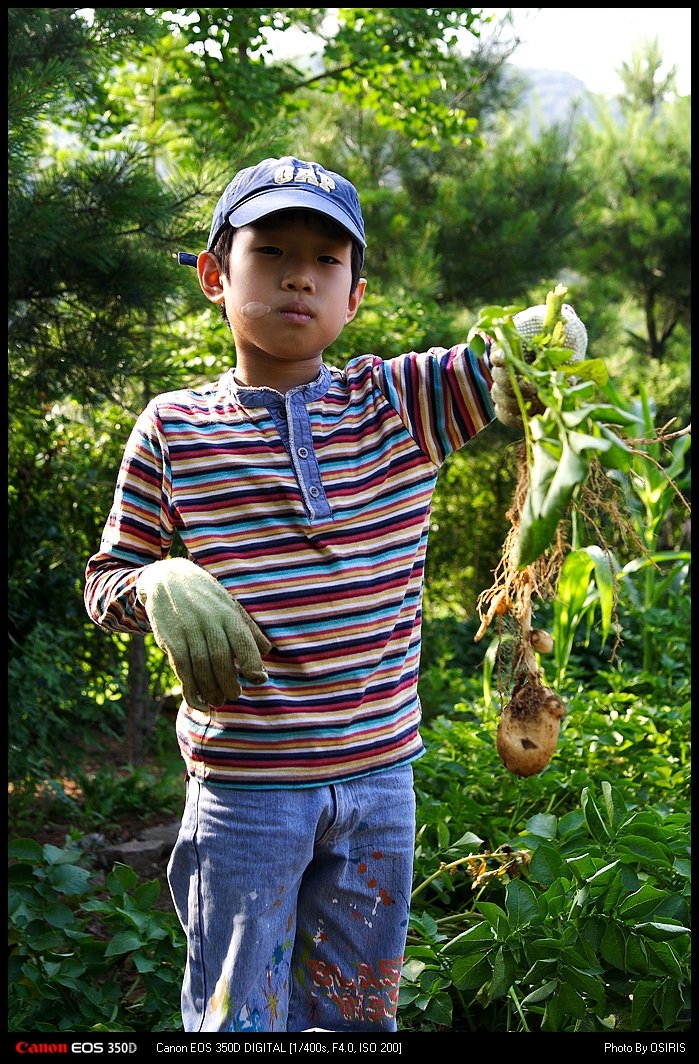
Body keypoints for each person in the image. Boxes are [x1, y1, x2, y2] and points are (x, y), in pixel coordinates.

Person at [84, 155, 586, 1033]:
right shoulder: (174, 426)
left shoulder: (399, 401)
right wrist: (158, 579)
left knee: (356, 1016)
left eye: (326, 261)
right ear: (215, 276)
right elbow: (106, 581)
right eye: (270, 250)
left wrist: (548, 337)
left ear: (354, 295)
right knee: (239, 1016)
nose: (298, 276)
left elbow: (506, 357)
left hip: (379, 785)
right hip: (246, 791)